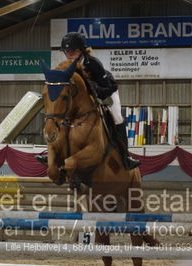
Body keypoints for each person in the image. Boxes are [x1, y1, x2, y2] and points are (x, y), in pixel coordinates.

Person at [36, 32, 140, 170]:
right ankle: (52, 153)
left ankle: (125, 156)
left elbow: (110, 87)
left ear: (82, 49)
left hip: (105, 92)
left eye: (73, 50)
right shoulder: (64, 66)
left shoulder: (92, 63)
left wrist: (94, 90)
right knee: (59, 115)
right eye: (67, 51)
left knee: (117, 118)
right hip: (82, 100)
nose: (69, 53)